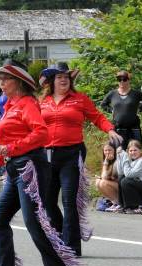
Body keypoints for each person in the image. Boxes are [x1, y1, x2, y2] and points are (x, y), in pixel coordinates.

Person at [0, 60, 80, 266]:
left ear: (17, 82)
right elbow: (7, 148)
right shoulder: (9, 106)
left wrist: (12, 148)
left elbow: (41, 133)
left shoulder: (27, 104)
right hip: (14, 169)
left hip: (31, 167)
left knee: (33, 222)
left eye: (4, 79)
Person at [39, 62, 120, 254]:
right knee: (48, 201)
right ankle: (60, 236)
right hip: (46, 155)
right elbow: (31, 124)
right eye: (59, 77)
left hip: (71, 154)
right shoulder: (42, 101)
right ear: (52, 81)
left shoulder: (79, 99)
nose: (64, 80)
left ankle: (71, 246)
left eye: (66, 77)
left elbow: (97, 117)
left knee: (69, 200)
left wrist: (110, 130)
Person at [100, 70, 142, 146]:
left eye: (124, 79)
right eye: (119, 79)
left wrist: (140, 109)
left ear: (128, 80)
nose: (122, 81)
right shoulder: (112, 93)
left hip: (134, 128)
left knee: (135, 150)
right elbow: (103, 104)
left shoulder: (136, 93)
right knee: (119, 151)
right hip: (118, 128)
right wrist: (111, 110)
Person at [94, 142, 120, 210]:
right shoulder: (107, 161)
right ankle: (113, 202)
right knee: (98, 181)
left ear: (114, 150)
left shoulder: (118, 160)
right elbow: (103, 176)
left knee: (103, 182)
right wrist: (106, 162)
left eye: (110, 150)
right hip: (115, 184)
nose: (107, 152)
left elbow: (105, 177)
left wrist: (106, 163)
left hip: (123, 187)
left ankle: (118, 203)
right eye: (105, 150)